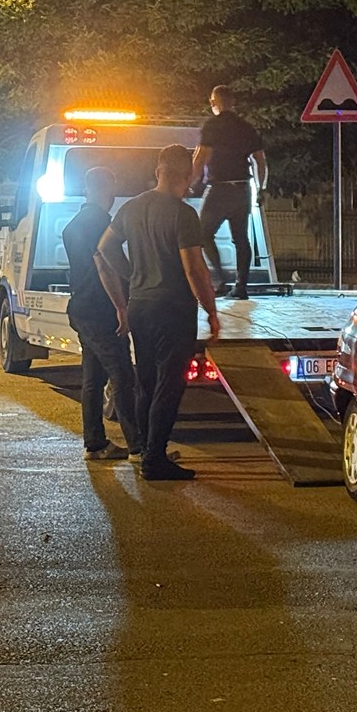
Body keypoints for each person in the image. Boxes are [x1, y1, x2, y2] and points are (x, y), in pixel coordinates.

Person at [97, 144, 221, 480]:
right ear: (188, 176)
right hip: (173, 309)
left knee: (146, 382)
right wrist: (211, 310)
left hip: (140, 306)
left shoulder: (131, 208)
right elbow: (194, 268)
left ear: (158, 171)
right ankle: (155, 459)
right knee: (169, 383)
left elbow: (105, 247)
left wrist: (132, 275)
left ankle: (144, 451)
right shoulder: (183, 214)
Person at [62, 167, 140, 461]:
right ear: (107, 189)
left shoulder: (72, 225)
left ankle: (95, 444)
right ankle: (139, 447)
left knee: (93, 379)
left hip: (81, 308)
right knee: (123, 375)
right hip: (101, 310)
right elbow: (104, 265)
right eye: (112, 188)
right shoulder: (100, 222)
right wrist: (122, 305)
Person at [190, 85, 267, 300]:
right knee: (241, 239)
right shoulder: (246, 127)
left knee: (202, 233)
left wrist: (190, 184)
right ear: (233, 102)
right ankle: (241, 287)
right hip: (242, 189)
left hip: (219, 189)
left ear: (214, 103)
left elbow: (200, 158)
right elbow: (260, 161)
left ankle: (221, 280)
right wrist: (261, 188)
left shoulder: (212, 126)